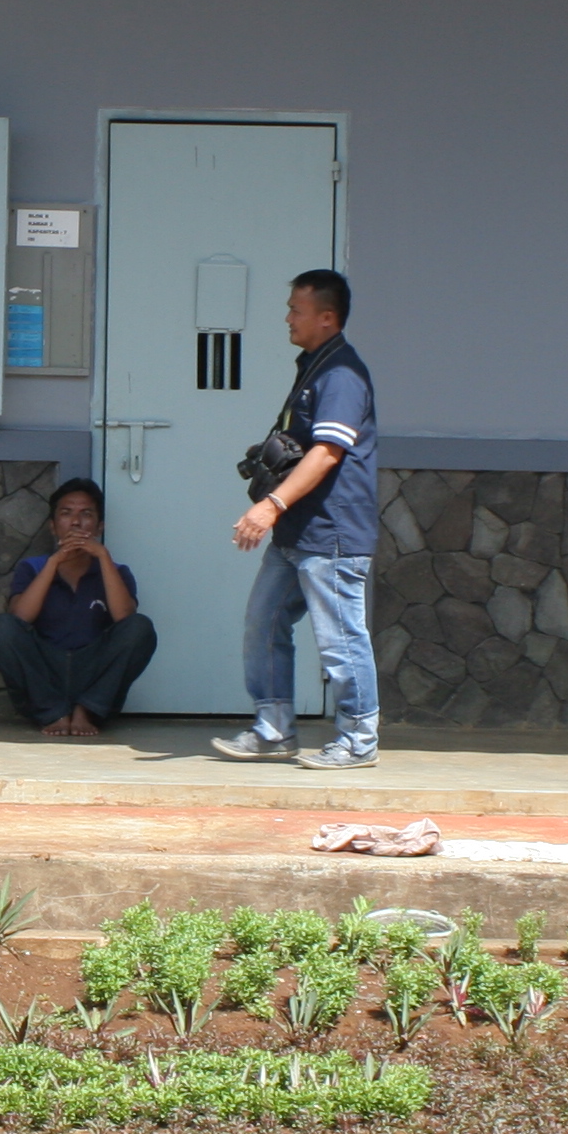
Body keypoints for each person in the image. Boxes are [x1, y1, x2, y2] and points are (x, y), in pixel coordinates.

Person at [213, 270, 380, 770]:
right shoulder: (315, 366)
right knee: (263, 622)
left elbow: (327, 452)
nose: (287, 317)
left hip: (329, 531)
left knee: (341, 637)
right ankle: (274, 728)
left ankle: (357, 739)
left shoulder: (342, 375)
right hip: (298, 531)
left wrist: (270, 505)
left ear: (326, 318)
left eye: (296, 310)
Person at [0, 478, 156, 738]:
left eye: (85, 514)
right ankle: (53, 712)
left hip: (93, 674)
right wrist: (54, 563)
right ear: (53, 527)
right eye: (66, 514)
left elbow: (125, 618)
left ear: (99, 527)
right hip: (44, 675)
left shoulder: (116, 571)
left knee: (141, 627)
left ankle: (86, 711)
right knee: (1, 628)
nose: (75, 522)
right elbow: (19, 618)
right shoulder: (33, 567)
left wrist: (102, 556)